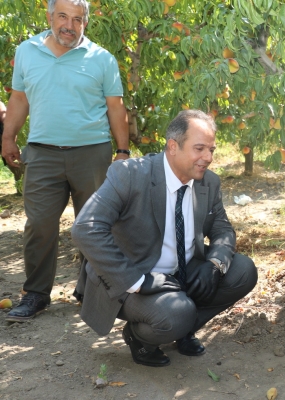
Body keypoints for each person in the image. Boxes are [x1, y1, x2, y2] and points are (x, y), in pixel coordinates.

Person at [71, 110, 258, 367]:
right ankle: (140, 338)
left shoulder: (208, 183)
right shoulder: (129, 174)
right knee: (177, 313)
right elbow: (86, 227)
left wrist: (214, 265)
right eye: (200, 148)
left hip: (181, 270)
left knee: (243, 270)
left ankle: (182, 330)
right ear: (173, 146)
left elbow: (222, 229)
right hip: (132, 275)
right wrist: (137, 281)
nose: (209, 158)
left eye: (211, 149)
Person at [2, 0, 130, 322]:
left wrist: (123, 151)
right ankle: (35, 295)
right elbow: (19, 98)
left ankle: (92, 291)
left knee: (96, 226)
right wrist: (8, 137)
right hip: (42, 153)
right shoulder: (28, 51)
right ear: (49, 17)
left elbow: (115, 107)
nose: (69, 25)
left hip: (92, 153)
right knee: (39, 226)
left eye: (77, 19)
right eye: (62, 16)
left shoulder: (102, 59)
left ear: (86, 22)